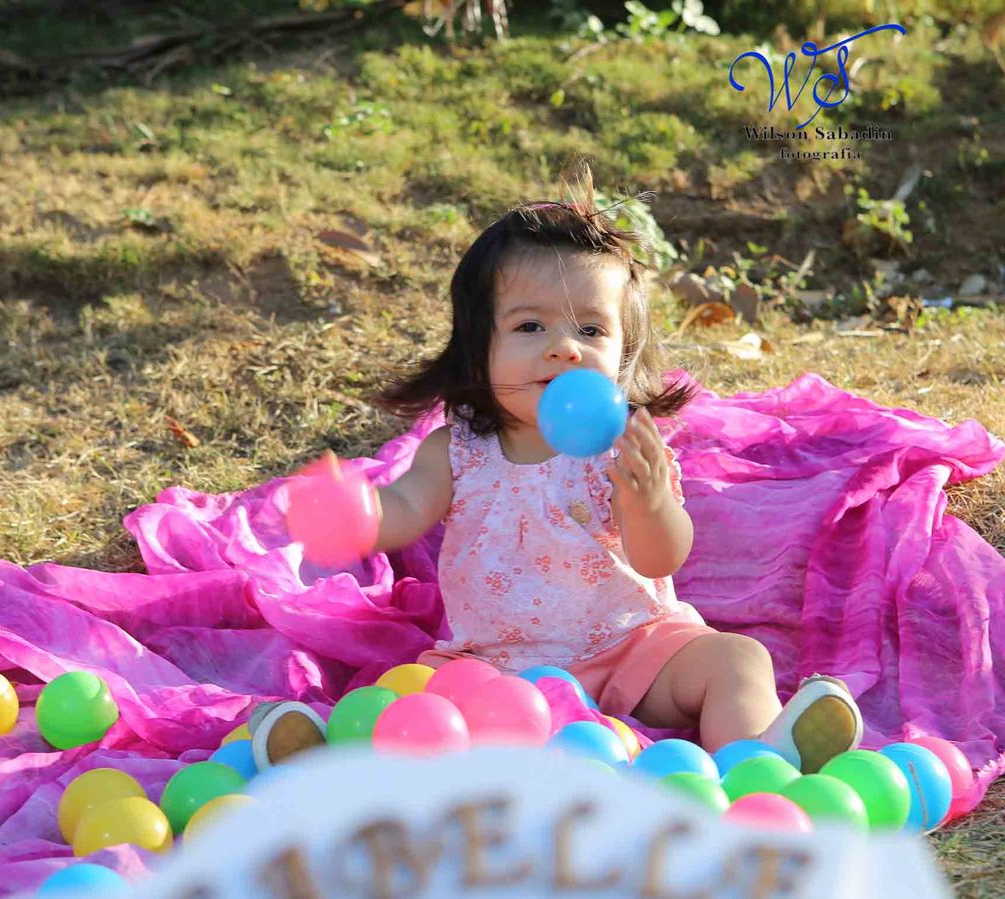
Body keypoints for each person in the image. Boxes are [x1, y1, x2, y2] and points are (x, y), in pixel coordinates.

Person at [297, 192, 861, 773]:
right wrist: (357, 515)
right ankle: (323, 760)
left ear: (622, 354)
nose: (564, 347)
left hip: (633, 651)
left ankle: (756, 766)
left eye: (591, 329)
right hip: (497, 667)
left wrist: (650, 500)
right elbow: (405, 507)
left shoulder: (623, 451)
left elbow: (661, 555)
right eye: (530, 325)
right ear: (478, 346)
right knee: (412, 695)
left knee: (736, 660)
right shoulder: (457, 450)